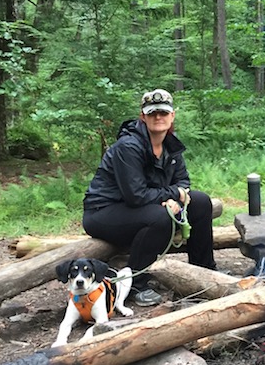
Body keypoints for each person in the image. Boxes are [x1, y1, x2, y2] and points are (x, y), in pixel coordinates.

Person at [82, 88, 216, 305]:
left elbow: (183, 182)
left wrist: (175, 196)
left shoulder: (170, 145)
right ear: (142, 116)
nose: (158, 117)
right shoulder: (128, 146)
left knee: (200, 202)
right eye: (152, 113)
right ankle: (136, 282)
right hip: (103, 213)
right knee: (160, 216)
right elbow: (136, 195)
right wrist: (172, 195)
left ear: (172, 115)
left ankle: (204, 271)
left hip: (140, 208)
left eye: (163, 112)